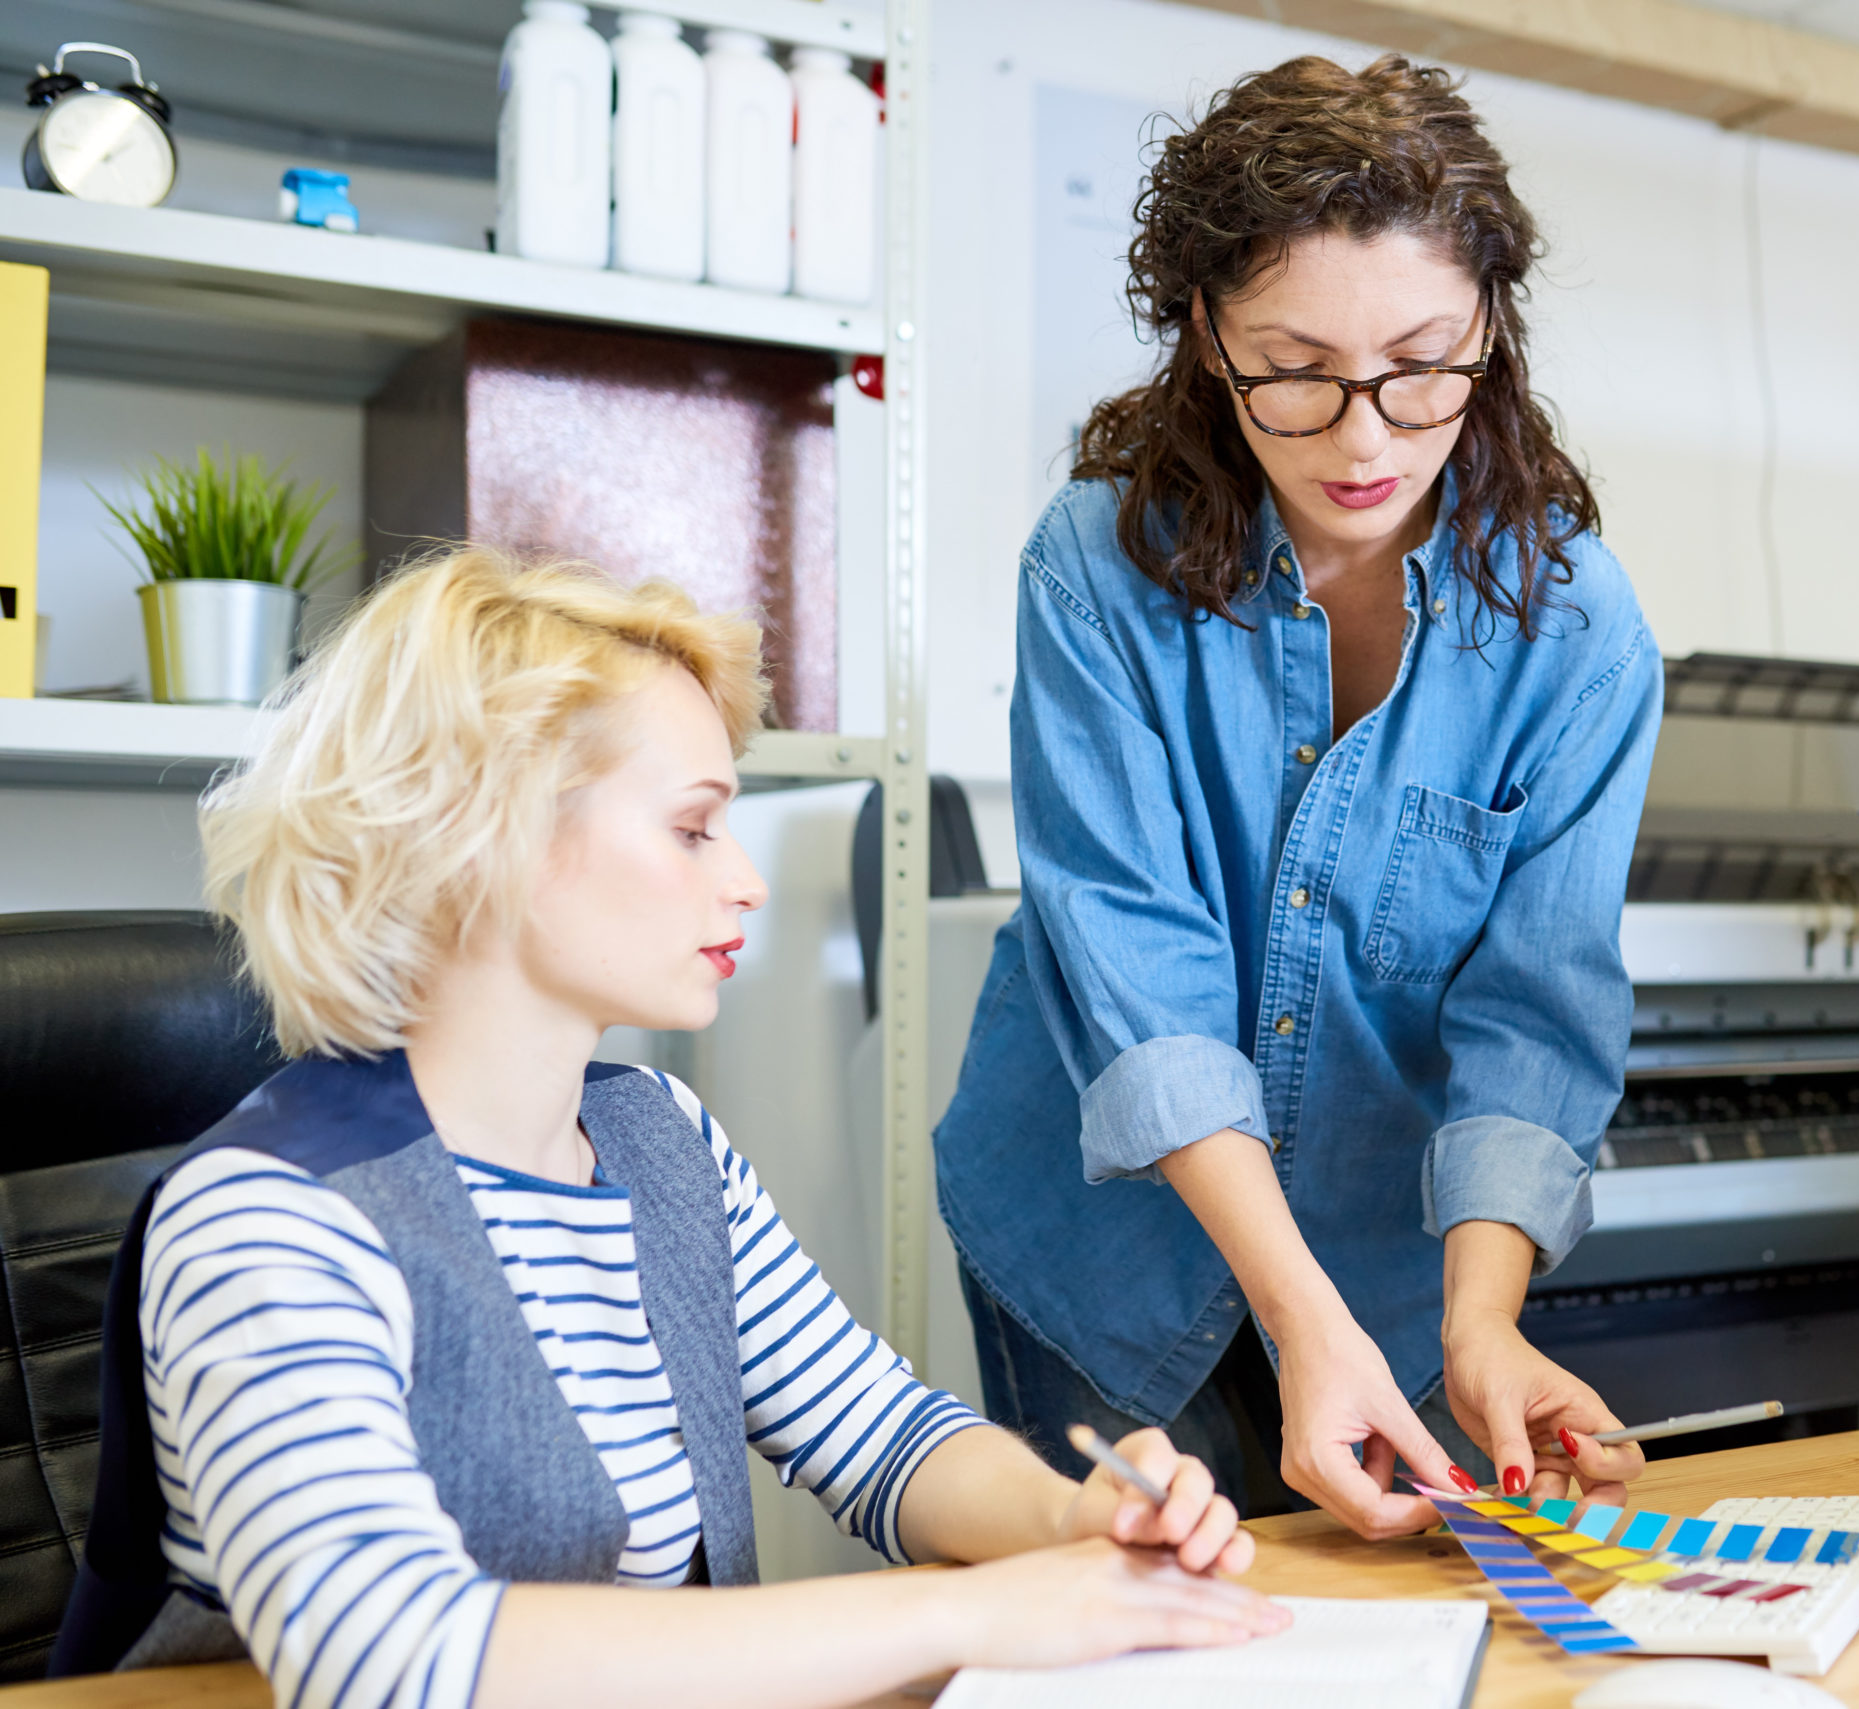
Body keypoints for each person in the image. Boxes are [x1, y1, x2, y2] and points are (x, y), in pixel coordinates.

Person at [53, 550, 1285, 1705]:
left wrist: (1070, 1522)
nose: (743, 877)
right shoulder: (269, 1216)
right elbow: (394, 1656)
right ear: (486, 836)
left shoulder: (662, 1141)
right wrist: (976, 1619)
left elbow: (886, 1440)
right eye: (693, 825)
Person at [936, 54, 1663, 1541]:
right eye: (1296, 366)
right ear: (1206, 336)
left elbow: (1535, 1011)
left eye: (1419, 364)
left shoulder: (1578, 632)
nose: (1365, 436)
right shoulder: (1096, 566)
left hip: (1394, 1264)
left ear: (1490, 332)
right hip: (1106, 1241)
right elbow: (1143, 971)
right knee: (1145, 1632)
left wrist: (1477, 1324)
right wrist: (1296, 1314)